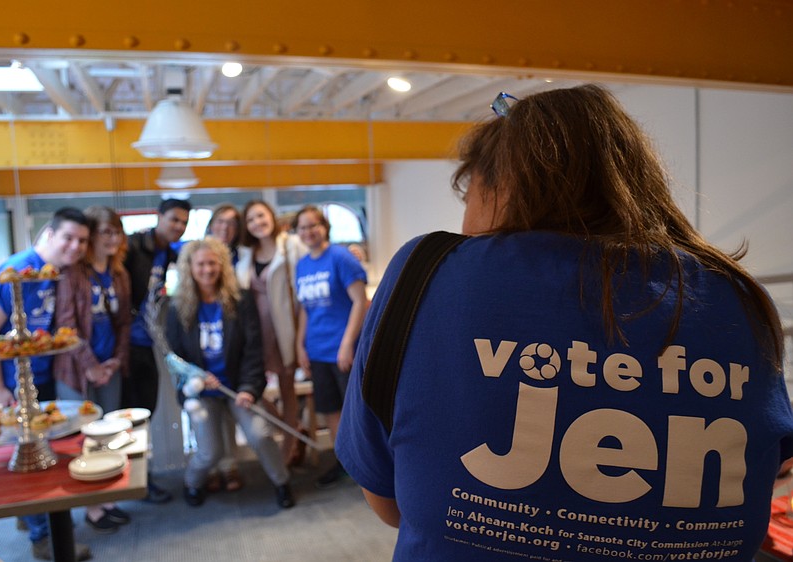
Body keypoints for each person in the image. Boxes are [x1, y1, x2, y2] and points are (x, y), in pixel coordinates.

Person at [335, 85, 793, 561]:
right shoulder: (739, 299)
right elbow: (750, 500)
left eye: (469, 197)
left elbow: (388, 500)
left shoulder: (428, 272)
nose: (467, 224)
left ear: (497, 187)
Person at [0, 207, 92, 561]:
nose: (75, 246)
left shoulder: (59, 273)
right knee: (28, 455)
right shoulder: (19, 267)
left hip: (42, 376)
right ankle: (44, 537)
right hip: (12, 382)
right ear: (50, 234)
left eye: (82, 241)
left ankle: (34, 519)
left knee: (44, 451)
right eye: (68, 237)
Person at [165, 238, 295, 509]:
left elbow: (252, 349)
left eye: (213, 263)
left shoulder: (240, 300)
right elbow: (175, 358)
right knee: (210, 451)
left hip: (237, 386)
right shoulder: (178, 308)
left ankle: (282, 482)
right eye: (201, 264)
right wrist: (197, 378)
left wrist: (249, 387)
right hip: (201, 392)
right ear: (189, 266)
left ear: (222, 265)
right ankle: (192, 483)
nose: (207, 269)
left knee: (260, 435)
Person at [54, 206, 132, 534]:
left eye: (117, 232)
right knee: (80, 437)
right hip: (76, 371)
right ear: (93, 237)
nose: (113, 238)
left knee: (108, 434)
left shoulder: (119, 273)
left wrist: (114, 361)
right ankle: (91, 507)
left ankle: (106, 498)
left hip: (109, 367)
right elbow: (66, 325)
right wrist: (90, 366)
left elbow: (125, 322)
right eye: (106, 232)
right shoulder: (73, 274)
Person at [293, 206, 368, 488]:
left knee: (354, 410)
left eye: (313, 225)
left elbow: (360, 302)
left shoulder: (340, 258)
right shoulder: (302, 265)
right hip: (317, 349)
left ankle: (365, 465)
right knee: (330, 410)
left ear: (325, 227)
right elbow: (305, 310)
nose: (308, 231)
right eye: (302, 227)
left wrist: (347, 345)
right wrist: (300, 345)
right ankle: (343, 463)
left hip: (343, 349)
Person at [122, 197, 191, 503]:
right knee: (131, 415)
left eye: (184, 222)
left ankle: (141, 480)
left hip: (148, 342)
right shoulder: (133, 247)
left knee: (144, 412)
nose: (178, 226)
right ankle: (134, 482)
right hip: (126, 346)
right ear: (159, 217)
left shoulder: (168, 251)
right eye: (174, 220)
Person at [236, 200, 308, 468]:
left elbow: (307, 277)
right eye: (251, 219)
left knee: (288, 389)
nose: (257, 223)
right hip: (255, 333)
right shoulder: (245, 254)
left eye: (261, 216)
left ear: (272, 217)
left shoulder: (291, 245)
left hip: (284, 331)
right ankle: (294, 428)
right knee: (256, 389)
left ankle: (287, 450)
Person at [202, 203, 245, 493]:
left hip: (234, 343)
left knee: (231, 416)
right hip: (205, 344)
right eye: (220, 222)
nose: (225, 229)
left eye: (232, 224)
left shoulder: (243, 256)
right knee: (208, 418)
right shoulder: (198, 252)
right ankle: (214, 466)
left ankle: (229, 466)